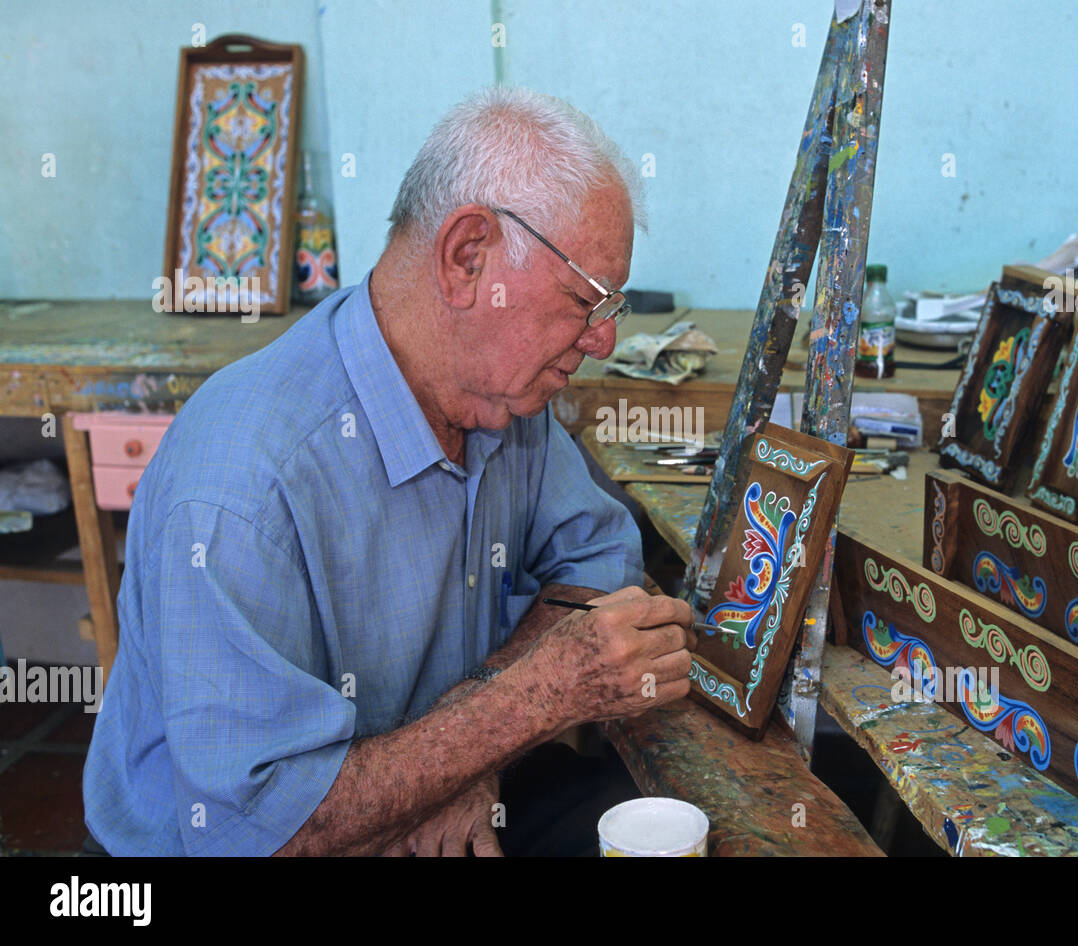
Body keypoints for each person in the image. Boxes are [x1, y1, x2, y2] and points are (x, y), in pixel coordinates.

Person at [83, 87, 696, 856]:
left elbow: (598, 560)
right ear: (468, 257)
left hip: (442, 795)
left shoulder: (504, 400)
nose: (603, 340)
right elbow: (255, 831)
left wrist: (471, 758)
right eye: (586, 301)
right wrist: (525, 703)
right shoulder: (243, 490)